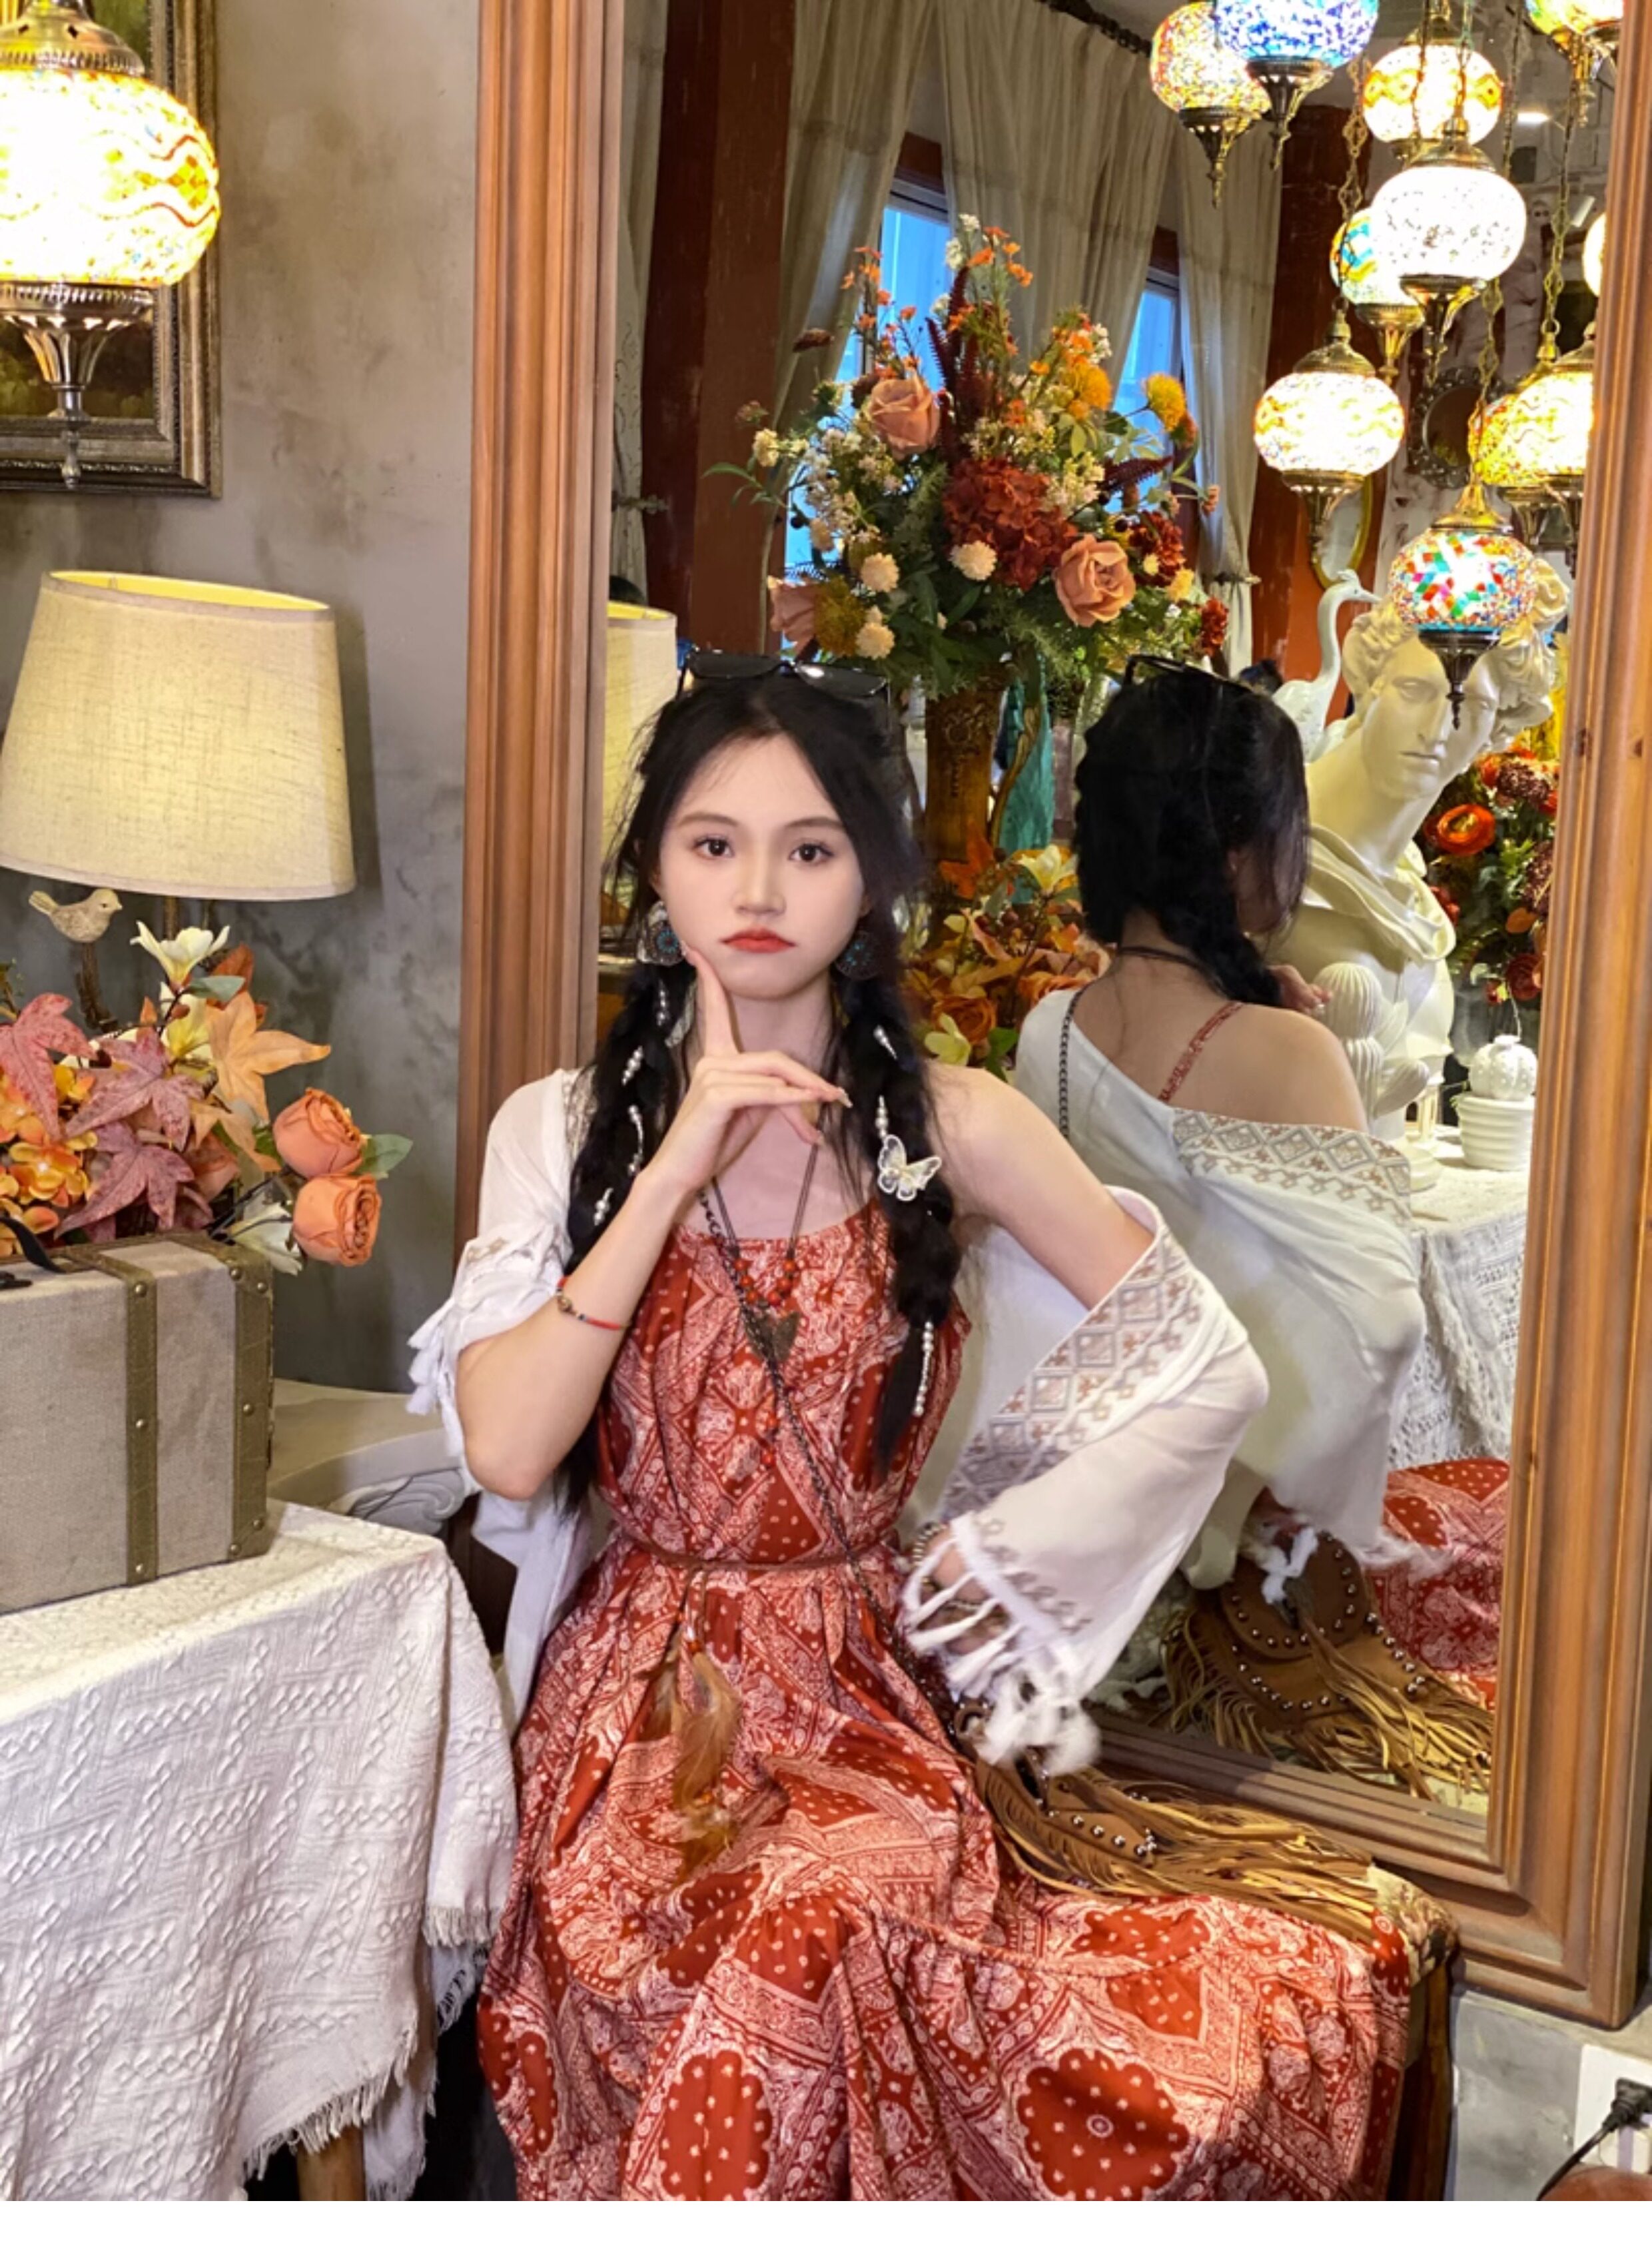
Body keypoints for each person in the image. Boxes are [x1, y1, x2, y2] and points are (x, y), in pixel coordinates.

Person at [410, 669, 1408, 2200]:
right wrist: (669, 1171)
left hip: (864, 1697)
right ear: (656, 868)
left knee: (833, 1912)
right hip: (634, 1729)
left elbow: (1199, 1362)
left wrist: (1010, 1553)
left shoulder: (957, 1125)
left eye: (808, 848)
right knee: (791, 1932)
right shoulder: (559, 1128)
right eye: (713, 843)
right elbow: (505, 1446)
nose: (757, 890)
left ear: (870, 876)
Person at [1015, 661, 1501, 1704]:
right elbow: (1376, 1333)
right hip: (1228, 1554)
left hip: (1077, 1510)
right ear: (1239, 851)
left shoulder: (1045, 1029)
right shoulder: (1290, 1050)